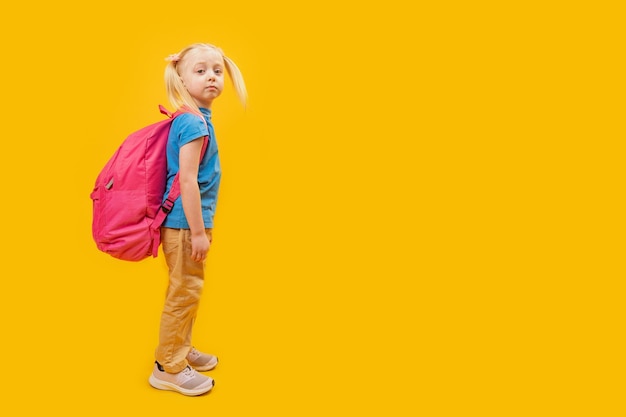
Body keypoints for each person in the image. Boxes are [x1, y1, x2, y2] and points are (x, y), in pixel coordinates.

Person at [148, 43, 247, 396]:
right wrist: (199, 232)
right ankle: (168, 367)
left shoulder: (195, 117)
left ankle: (181, 347)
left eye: (217, 71)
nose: (211, 77)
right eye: (200, 71)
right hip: (185, 225)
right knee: (184, 292)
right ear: (181, 78)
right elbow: (187, 180)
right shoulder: (192, 122)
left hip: (183, 223)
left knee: (188, 290)